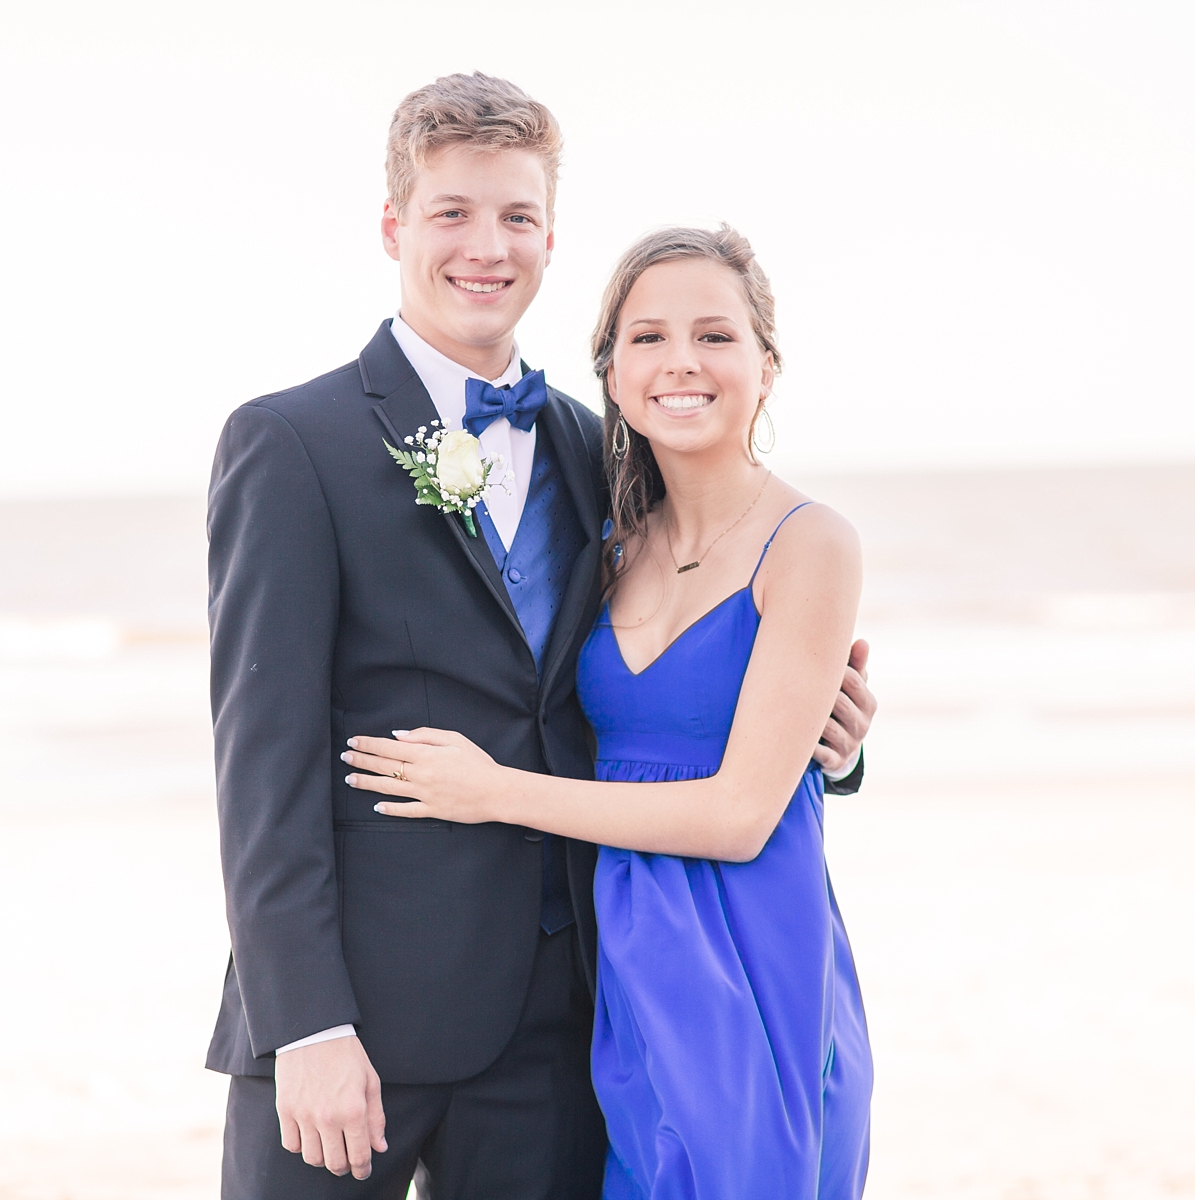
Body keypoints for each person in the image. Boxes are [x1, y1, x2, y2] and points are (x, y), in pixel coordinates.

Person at [205, 74, 876, 1198]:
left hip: (567, 1024)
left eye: (516, 216)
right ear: (394, 228)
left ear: (551, 238)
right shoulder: (292, 442)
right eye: (453, 212)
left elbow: (662, 679)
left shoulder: (594, 452)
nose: (486, 246)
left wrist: (832, 741)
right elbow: (259, 762)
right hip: (352, 1028)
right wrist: (305, 1023)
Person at [345, 225, 872, 1198]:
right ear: (614, 375)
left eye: (715, 336)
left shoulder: (811, 544)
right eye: (648, 338)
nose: (682, 362)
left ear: (767, 365)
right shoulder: (610, 545)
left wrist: (497, 792)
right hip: (617, 968)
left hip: (747, 964)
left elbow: (737, 813)